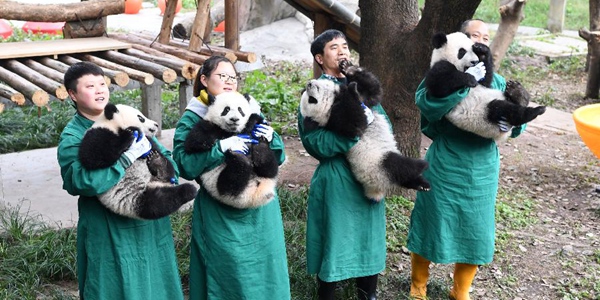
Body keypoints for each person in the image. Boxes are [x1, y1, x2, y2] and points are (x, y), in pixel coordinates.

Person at [407, 19, 527, 300]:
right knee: (432, 222)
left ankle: (460, 291)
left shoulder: (496, 80)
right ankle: (418, 285)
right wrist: (464, 84)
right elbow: (426, 104)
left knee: (476, 231)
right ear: (460, 40)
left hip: (482, 168)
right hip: (447, 162)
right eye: (475, 36)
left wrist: (514, 121)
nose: (482, 41)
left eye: (486, 36)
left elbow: (517, 125)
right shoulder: (441, 74)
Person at [57, 61, 184, 299]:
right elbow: (83, 182)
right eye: (90, 86)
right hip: (108, 228)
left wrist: (165, 171)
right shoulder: (73, 136)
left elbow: (168, 161)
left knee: (157, 284)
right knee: (113, 286)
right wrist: (125, 160)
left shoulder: (125, 117)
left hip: (150, 223)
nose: (99, 90)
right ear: (72, 94)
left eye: (102, 84)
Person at [171, 56, 291, 299]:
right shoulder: (194, 116)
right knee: (226, 273)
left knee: (267, 270)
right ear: (204, 80)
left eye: (232, 77)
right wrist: (220, 148)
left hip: (261, 210)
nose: (229, 82)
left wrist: (271, 139)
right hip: (221, 211)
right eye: (222, 76)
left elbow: (277, 156)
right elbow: (184, 164)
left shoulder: (247, 106)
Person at [298, 29, 391, 300]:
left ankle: (368, 295)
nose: (342, 51)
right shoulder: (315, 92)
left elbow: (383, 123)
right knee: (334, 239)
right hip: (337, 177)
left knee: (369, 238)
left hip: (369, 175)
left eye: (345, 46)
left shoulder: (361, 86)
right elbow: (315, 142)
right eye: (333, 48)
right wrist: (353, 133)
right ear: (319, 58)